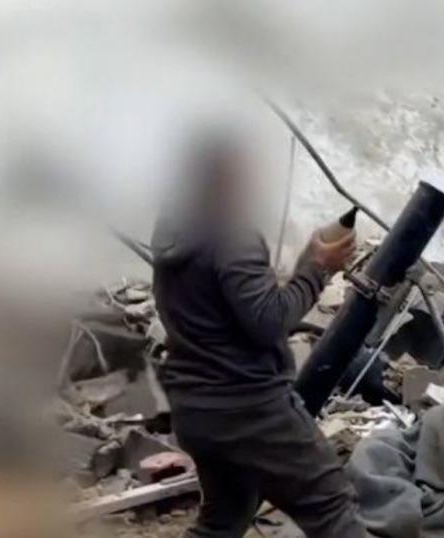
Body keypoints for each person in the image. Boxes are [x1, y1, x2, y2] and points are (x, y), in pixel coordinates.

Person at [150, 133, 364, 537]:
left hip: (196, 409)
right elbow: (269, 322)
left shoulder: (174, 229)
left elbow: (229, 308)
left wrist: (309, 262)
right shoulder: (232, 235)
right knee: (331, 506)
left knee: (224, 518)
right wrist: (318, 269)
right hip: (249, 409)